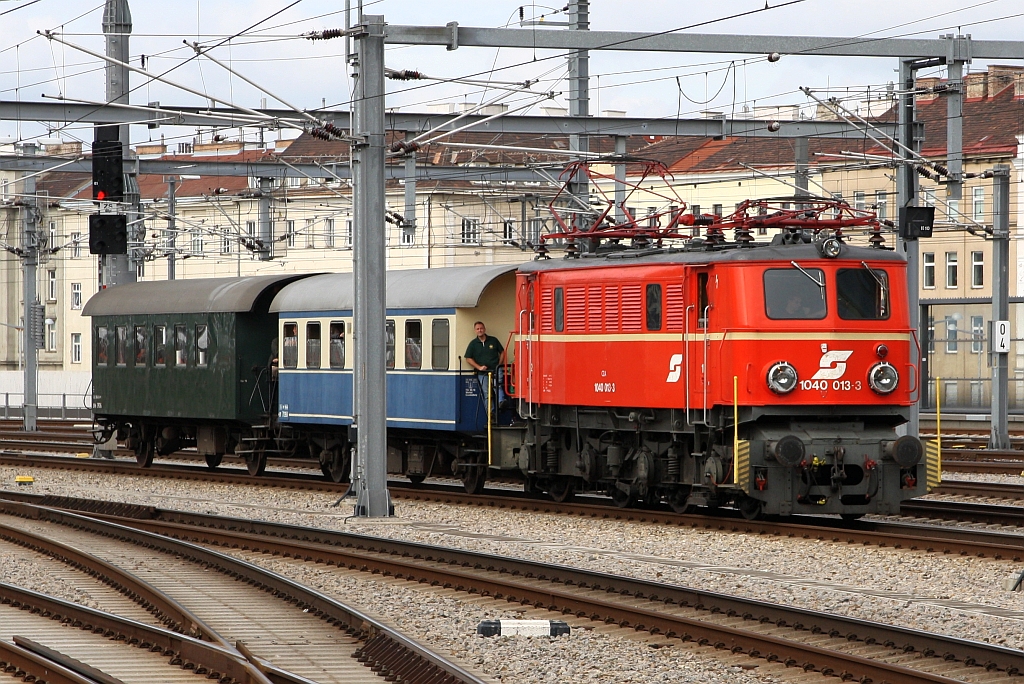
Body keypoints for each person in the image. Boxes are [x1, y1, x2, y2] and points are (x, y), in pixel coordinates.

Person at [465, 321, 506, 406]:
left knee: (497, 386)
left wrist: (499, 364)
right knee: (487, 394)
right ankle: (491, 414)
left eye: (481, 328)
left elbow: (502, 352)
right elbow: (468, 358)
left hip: (496, 370)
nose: (480, 330)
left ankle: (501, 402)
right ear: (475, 331)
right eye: (478, 329)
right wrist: (479, 367)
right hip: (482, 373)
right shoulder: (473, 344)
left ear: (484, 329)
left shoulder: (493, 340)